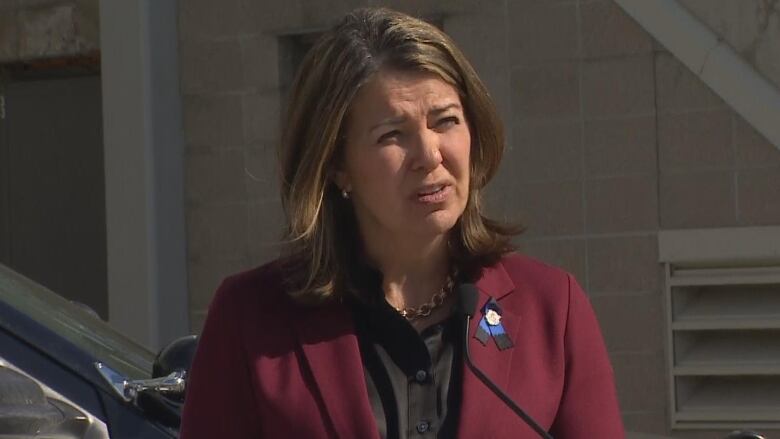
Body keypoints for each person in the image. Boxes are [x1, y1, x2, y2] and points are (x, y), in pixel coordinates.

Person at [180, 7, 624, 439]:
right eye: (393, 134)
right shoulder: (250, 318)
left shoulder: (551, 309)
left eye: (446, 121)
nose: (430, 155)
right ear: (337, 165)